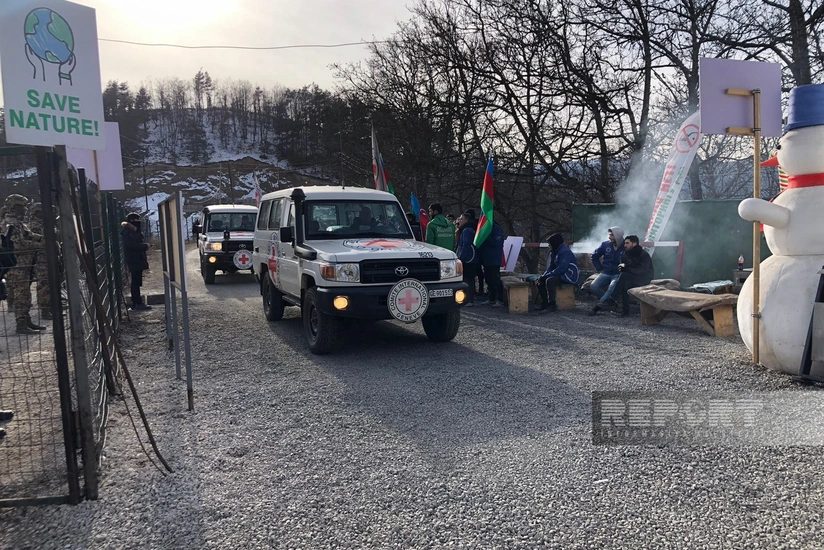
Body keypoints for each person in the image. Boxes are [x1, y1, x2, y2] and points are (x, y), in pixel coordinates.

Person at [0, 194, 46, 334]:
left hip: (25, 265)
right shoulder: (9, 224)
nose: (25, 210)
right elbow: (16, 245)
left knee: (25, 294)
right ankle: (21, 324)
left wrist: (43, 238)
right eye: (21, 207)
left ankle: (26, 320)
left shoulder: (19, 223)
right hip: (16, 266)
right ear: (14, 207)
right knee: (21, 294)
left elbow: (28, 235)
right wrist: (39, 245)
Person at [537, 233, 579, 312]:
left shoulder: (564, 252)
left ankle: (552, 304)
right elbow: (551, 266)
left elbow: (562, 268)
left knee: (550, 280)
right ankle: (545, 303)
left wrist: (547, 276)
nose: (549, 246)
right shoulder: (554, 251)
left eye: (550, 244)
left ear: (555, 243)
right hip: (561, 273)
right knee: (540, 280)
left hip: (569, 275)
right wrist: (544, 275)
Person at [614, 235, 654, 317]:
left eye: (627, 243)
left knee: (624, 276)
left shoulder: (643, 255)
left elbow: (643, 271)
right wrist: (622, 267)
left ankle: (612, 299)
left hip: (645, 278)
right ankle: (625, 311)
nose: (625, 245)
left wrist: (627, 270)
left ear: (634, 243)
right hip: (634, 277)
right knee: (625, 284)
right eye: (625, 243)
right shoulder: (627, 254)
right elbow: (625, 266)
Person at [588, 226, 625, 316]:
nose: (609, 237)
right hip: (606, 272)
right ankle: (610, 302)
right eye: (609, 235)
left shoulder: (625, 245)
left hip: (618, 274)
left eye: (612, 235)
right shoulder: (605, 245)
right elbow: (594, 256)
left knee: (611, 287)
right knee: (593, 286)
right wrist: (600, 269)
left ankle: (598, 306)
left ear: (618, 236)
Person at [121, 213, 152, 311]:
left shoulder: (132, 231)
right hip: (134, 260)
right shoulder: (128, 232)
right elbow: (132, 246)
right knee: (135, 282)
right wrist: (144, 246)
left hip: (136, 259)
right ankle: (137, 303)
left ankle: (137, 302)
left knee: (137, 281)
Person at [27, 203, 52, 320]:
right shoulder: (35, 225)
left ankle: (49, 306)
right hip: (40, 259)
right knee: (43, 284)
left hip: (46, 257)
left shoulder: (42, 224)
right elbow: (37, 242)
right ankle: (45, 310)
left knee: (48, 283)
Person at [456, 211, 480, 306]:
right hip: (471, 258)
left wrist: (461, 258)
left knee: (467, 279)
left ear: (466, 220)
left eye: (461, 219)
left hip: (468, 259)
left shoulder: (467, 230)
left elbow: (465, 245)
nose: (459, 221)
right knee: (470, 279)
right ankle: (470, 298)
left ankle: (468, 299)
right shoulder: (470, 229)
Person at [479, 220, 505, 306]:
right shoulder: (486, 228)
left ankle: (499, 299)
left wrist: (485, 236)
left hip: (494, 258)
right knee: (488, 279)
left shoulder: (496, 229)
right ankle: (492, 297)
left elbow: (497, 243)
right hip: (486, 258)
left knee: (495, 280)